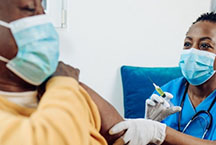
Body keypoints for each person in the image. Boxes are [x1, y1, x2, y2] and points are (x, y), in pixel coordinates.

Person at [0, 0, 125, 145]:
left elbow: (120, 133)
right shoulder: (65, 88)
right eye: (29, 9)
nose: (43, 21)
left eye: (43, 9)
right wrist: (63, 84)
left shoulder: (68, 89)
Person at [110, 12, 216, 145]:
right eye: (188, 44)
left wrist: (161, 132)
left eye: (204, 45)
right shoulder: (168, 92)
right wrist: (149, 130)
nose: (192, 51)